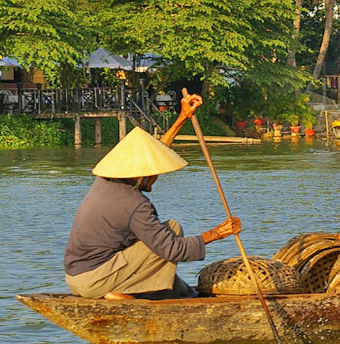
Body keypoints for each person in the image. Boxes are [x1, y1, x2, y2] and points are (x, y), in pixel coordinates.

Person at [64, 89, 241, 300]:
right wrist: (217, 233)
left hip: (76, 276)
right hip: (94, 281)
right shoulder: (135, 205)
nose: (157, 177)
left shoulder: (106, 181)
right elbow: (172, 250)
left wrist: (182, 118)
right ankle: (115, 293)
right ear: (143, 175)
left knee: (169, 232)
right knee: (171, 235)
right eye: (154, 173)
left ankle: (182, 293)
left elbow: (155, 153)